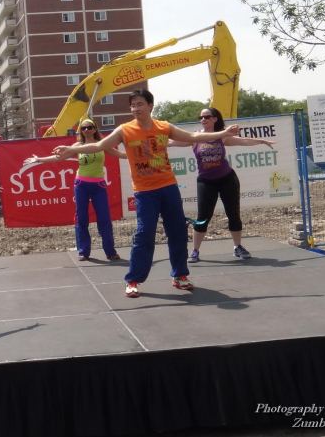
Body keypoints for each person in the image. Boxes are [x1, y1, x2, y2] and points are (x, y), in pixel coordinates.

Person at [54, 90, 238, 298]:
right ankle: (133, 280)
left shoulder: (164, 127)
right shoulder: (124, 130)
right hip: (144, 192)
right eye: (133, 105)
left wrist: (222, 134)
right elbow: (98, 145)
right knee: (144, 234)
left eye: (140, 104)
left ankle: (180, 275)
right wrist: (70, 150)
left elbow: (193, 136)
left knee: (177, 231)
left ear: (150, 106)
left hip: (168, 187)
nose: (136, 108)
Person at [172, 107, 275, 263]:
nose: (203, 119)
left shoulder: (222, 136)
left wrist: (261, 141)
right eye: (201, 117)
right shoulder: (195, 137)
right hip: (206, 182)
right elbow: (171, 142)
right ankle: (195, 251)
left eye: (207, 116)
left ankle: (238, 247)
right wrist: (155, 141)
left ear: (214, 119)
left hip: (227, 179)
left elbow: (243, 141)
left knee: (233, 214)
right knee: (202, 218)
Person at [25, 119, 126, 262]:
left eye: (90, 127)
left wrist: (137, 155)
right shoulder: (77, 146)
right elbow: (59, 157)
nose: (87, 130)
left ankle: (110, 252)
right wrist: (39, 159)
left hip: (99, 186)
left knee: (104, 219)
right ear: (80, 131)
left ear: (95, 129)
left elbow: (119, 154)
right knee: (81, 218)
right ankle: (83, 252)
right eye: (83, 128)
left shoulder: (102, 143)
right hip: (81, 185)